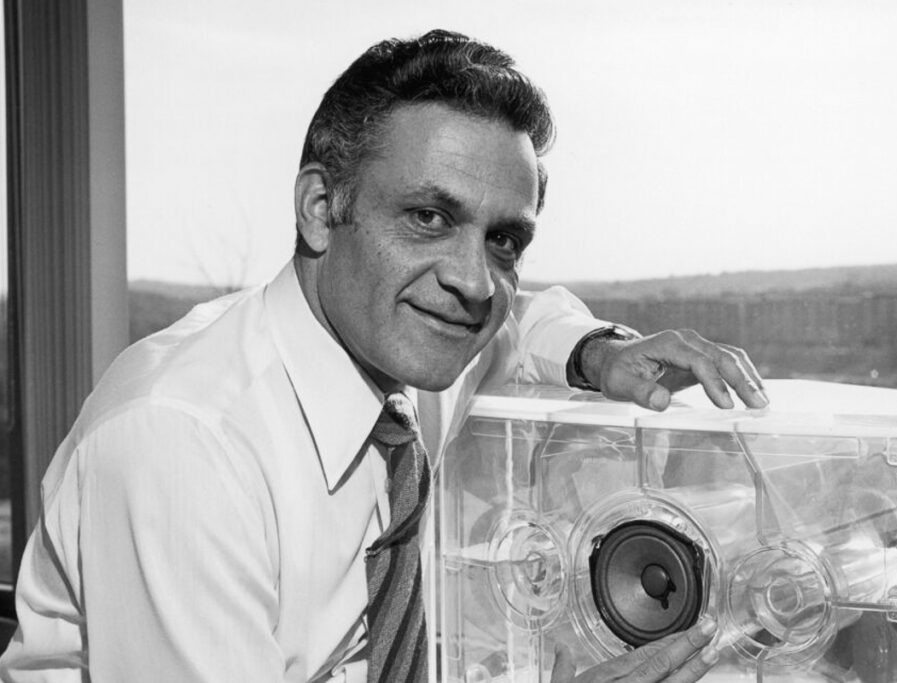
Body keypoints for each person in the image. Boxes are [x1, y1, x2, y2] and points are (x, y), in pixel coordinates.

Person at [0, 30, 767, 683]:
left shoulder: (402, 346)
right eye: (429, 216)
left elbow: (520, 321)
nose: (473, 281)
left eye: (504, 239)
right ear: (321, 209)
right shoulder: (186, 443)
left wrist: (597, 353)